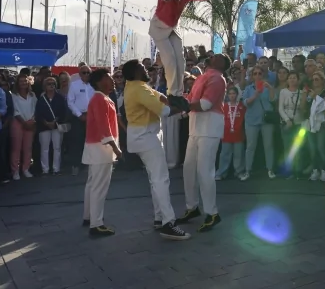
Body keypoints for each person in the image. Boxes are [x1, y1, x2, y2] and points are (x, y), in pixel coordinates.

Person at [121, 59, 191, 240]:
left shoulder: (136, 86)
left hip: (143, 135)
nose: (147, 71)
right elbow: (164, 111)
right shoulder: (139, 88)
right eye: (143, 68)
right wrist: (184, 107)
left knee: (155, 178)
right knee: (161, 179)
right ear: (136, 72)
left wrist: (173, 100)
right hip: (145, 136)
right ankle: (169, 223)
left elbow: (160, 97)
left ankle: (160, 217)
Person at [177, 54, 228, 232]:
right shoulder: (202, 77)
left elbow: (205, 104)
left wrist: (182, 104)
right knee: (188, 169)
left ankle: (212, 213)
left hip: (209, 128)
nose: (212, 57)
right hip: (196, 128)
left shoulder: (218, 78)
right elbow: (191, 100)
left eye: (218, 57)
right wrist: (177, 103)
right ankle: (192, 207)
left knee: (204, 171)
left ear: (221, 64)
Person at [148, 0, 212, 99]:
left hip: (172, 28)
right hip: (159, 27)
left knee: (180, 60)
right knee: (169, 59)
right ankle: (172, 93)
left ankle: (178, 93)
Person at [81, 69, 122, 237]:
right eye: (108, 77)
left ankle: (89, 216)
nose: (112, 80)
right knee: (99, 186)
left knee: (92, 183)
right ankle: (96, 224)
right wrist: (116, 148)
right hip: (101, 147)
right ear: (99, 82)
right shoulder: (100, 99)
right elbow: (104, 126)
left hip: (96, 146)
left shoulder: (101, 98)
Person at [67, 64, 94, 176]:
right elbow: (70, 102)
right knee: (77, 142)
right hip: (78, 117)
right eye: (84, 73)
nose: (86, 75)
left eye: (88, 73)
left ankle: (89, 165)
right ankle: (76, 165)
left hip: (92, 117)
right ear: (79, 74)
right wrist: (79, 115)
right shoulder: (74, 85)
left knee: (90, 143)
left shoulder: (94, 85)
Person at [36, 76, 67, 175]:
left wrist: (55, 120)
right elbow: (38, 113)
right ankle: (45, 169)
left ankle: (56, 169)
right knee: (44, 148)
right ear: (45, 86)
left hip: (57, 125)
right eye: (49, 84)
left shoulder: (60, 98)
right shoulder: (41, 99)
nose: (51, 85)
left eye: (53, 84)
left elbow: (63, 111)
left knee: (57, 147)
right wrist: (46, 122)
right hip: (44, 126)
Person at [9, 75, 38, 180]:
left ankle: (25, 169)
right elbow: (15, 110)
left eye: (25, 81)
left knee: (28, 147)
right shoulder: (13, 95)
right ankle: (15, 171)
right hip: (18, 122)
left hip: (31, 122)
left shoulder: (32, 95)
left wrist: (32, 121)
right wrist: (23, 122)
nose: (23, 83)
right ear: (17, 83)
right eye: (21, 81)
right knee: (16, 148)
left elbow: (35, 108)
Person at [216, 86, 246, 181]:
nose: (232, 95)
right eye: (230, 94)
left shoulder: (241, 106)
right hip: (226, 134)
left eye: (234, 93)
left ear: (237, 95)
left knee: (239, 154)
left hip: (238, 134)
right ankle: (222, 172)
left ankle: (239, 172)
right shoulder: (224, 106)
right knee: (225, 154)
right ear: (227, 95)